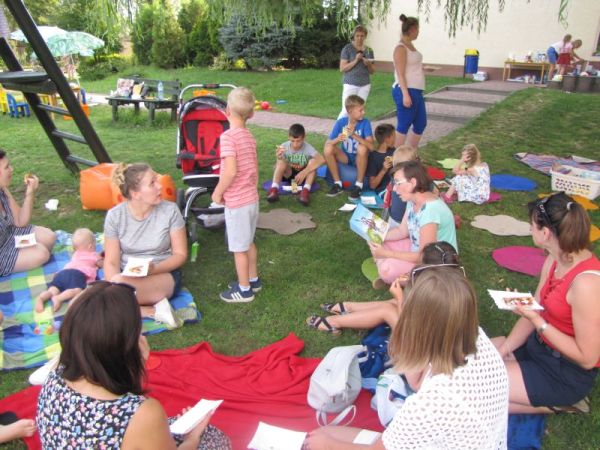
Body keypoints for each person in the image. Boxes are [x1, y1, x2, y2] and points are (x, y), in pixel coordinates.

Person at [305, 267, 509, 449]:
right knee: (329, 435)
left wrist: (326, 445)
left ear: (415, 324)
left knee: (323, 436)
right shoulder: (479, 340)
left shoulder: (428, 404)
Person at [36, 281, 231, 449]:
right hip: (137, 426)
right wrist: (192, 440)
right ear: (124, 347)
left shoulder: (54, 376)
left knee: (180, 428)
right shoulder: (142, 414)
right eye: (137, 332)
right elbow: (126, 408)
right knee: (212, 438)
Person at [492, 192, 600, 414]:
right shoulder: (554, 258)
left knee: (477, 393)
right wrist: (505, 349)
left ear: (545, 233)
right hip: (538, 347)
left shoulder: (586, 284)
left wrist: (537, 320)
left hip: (564, 372)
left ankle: (557, 404)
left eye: (532, 226)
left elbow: (588, 359)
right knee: (467, 359)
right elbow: (537, 307)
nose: (530, 229)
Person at [307, 241, 459, 335]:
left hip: (422, 343)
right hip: (431, 332)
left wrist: (399, 297)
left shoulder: (435, 293)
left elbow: (412, 323)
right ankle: (348, 308)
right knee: (393, 303)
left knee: (388, 309)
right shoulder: (451, 284)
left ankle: (334, 322)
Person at [104, 163, 187, 323]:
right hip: (126, 276)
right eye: (152, 183)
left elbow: (180, 255)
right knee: (113, 289)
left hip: (162, 274)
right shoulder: (115, 216)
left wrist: (153, 269)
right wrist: (113, 283)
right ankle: (151, 311)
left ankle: (120, 304)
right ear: (135, 194)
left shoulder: (170, 211)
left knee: (104, 299)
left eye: (157, 180)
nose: (159, 186)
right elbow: (111, 261)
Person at [370, 160, 457, 288]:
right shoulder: (413, 201)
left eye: (398, 183)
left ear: (413, 183)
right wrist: (375, 234)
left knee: (387, 269)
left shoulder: (430, 211)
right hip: (416, 249)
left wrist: (386, 254)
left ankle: (396, 275)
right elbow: (402, 231)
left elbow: (425, 256)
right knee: (375, 239)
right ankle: (399, 277)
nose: (394, 188)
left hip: (434, 263)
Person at [211, 87, 261, 303]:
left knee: (239, 248)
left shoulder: (228, 137)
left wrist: (217, 193)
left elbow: (230, 171)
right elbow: (255, 169)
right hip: (251, 200)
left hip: (238, 204)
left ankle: (244, 290)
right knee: (248, 242)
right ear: (251, 114)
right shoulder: (249, 137)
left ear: (227, 111)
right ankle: (253, 279)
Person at [0, 149, 55, 277]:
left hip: (11, 235)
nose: (12, 169)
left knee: (49, 237)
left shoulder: (2, 189)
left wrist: (30, 192)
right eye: (7, 167)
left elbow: (20, 221)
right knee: (41, 254)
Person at [34, 228, 101, 313]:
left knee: (53, 290)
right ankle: (59, 298)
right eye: (95, 245)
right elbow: (101, 264)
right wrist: (102, 258)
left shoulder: (76, 254)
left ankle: (41, 298)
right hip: (76, 274)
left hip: (62, 274)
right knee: (77, 290)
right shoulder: (93, 255)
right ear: (90, 246)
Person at [324, 95, 374, 200]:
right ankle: (337, 184)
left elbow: (371, 147)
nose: (364, 112)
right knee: (328, 149)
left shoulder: (365, 123)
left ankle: (358, 186)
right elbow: (327, 144)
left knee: (362, 148)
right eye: (360, 110)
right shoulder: (341, 123)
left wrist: (354, 135)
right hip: (346, 158)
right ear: (350, 111)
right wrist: (337, 139)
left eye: (363, 109)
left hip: (360, 158)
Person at [266, 123, 325, 206]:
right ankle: (274, 190)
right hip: (289, 176)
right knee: (281, 162)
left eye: (298, 141)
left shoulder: (308, 147)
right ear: (289, 137)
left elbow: (322, 160)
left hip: (304, 177)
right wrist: (279, 158)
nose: (295, 144)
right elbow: (278, 166)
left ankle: (305, 192)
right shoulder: (284, 146)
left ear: (304, 138)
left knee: (313, 161)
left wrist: (304, 172)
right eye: (292, 141)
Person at [392, 14, 426, 148]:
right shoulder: (400, 48)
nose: (419, 32)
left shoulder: (410, 45)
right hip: (406, 90)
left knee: (420, 123)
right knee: (404, 124)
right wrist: (405, 95)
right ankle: (393, 156)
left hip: (416, 90)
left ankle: (409, 154)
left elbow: (411, 67)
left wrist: (424, 68)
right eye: (418, 29)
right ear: (412, 29)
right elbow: (400, 73)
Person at [338, 25, 375, 120]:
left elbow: (372, 71)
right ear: (354, 36)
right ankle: (338, 129)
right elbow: (342, 68)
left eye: (362, 36)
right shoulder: (347, 49)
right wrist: (356, 60)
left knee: (359, 111)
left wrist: (368, 64)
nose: (359, 38)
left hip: (364, 85)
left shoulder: (369, 50)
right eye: (357, 35)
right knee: (346, 110)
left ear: (365, 36)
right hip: (350, 84)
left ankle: (354, 129)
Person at [381, 144, 418, 225]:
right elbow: (391, 185)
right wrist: (387, 193)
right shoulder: (396, 177)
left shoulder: (413, 182)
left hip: (403, 218)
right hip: (395, 215)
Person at [366, 124, 396, 194]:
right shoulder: (373, 157)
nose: (395, 139)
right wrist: (383, 170)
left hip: (397, 186)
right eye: (394, 136)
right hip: (384, 191)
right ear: (387, 139)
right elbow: (372, 185)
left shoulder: (393, 150)